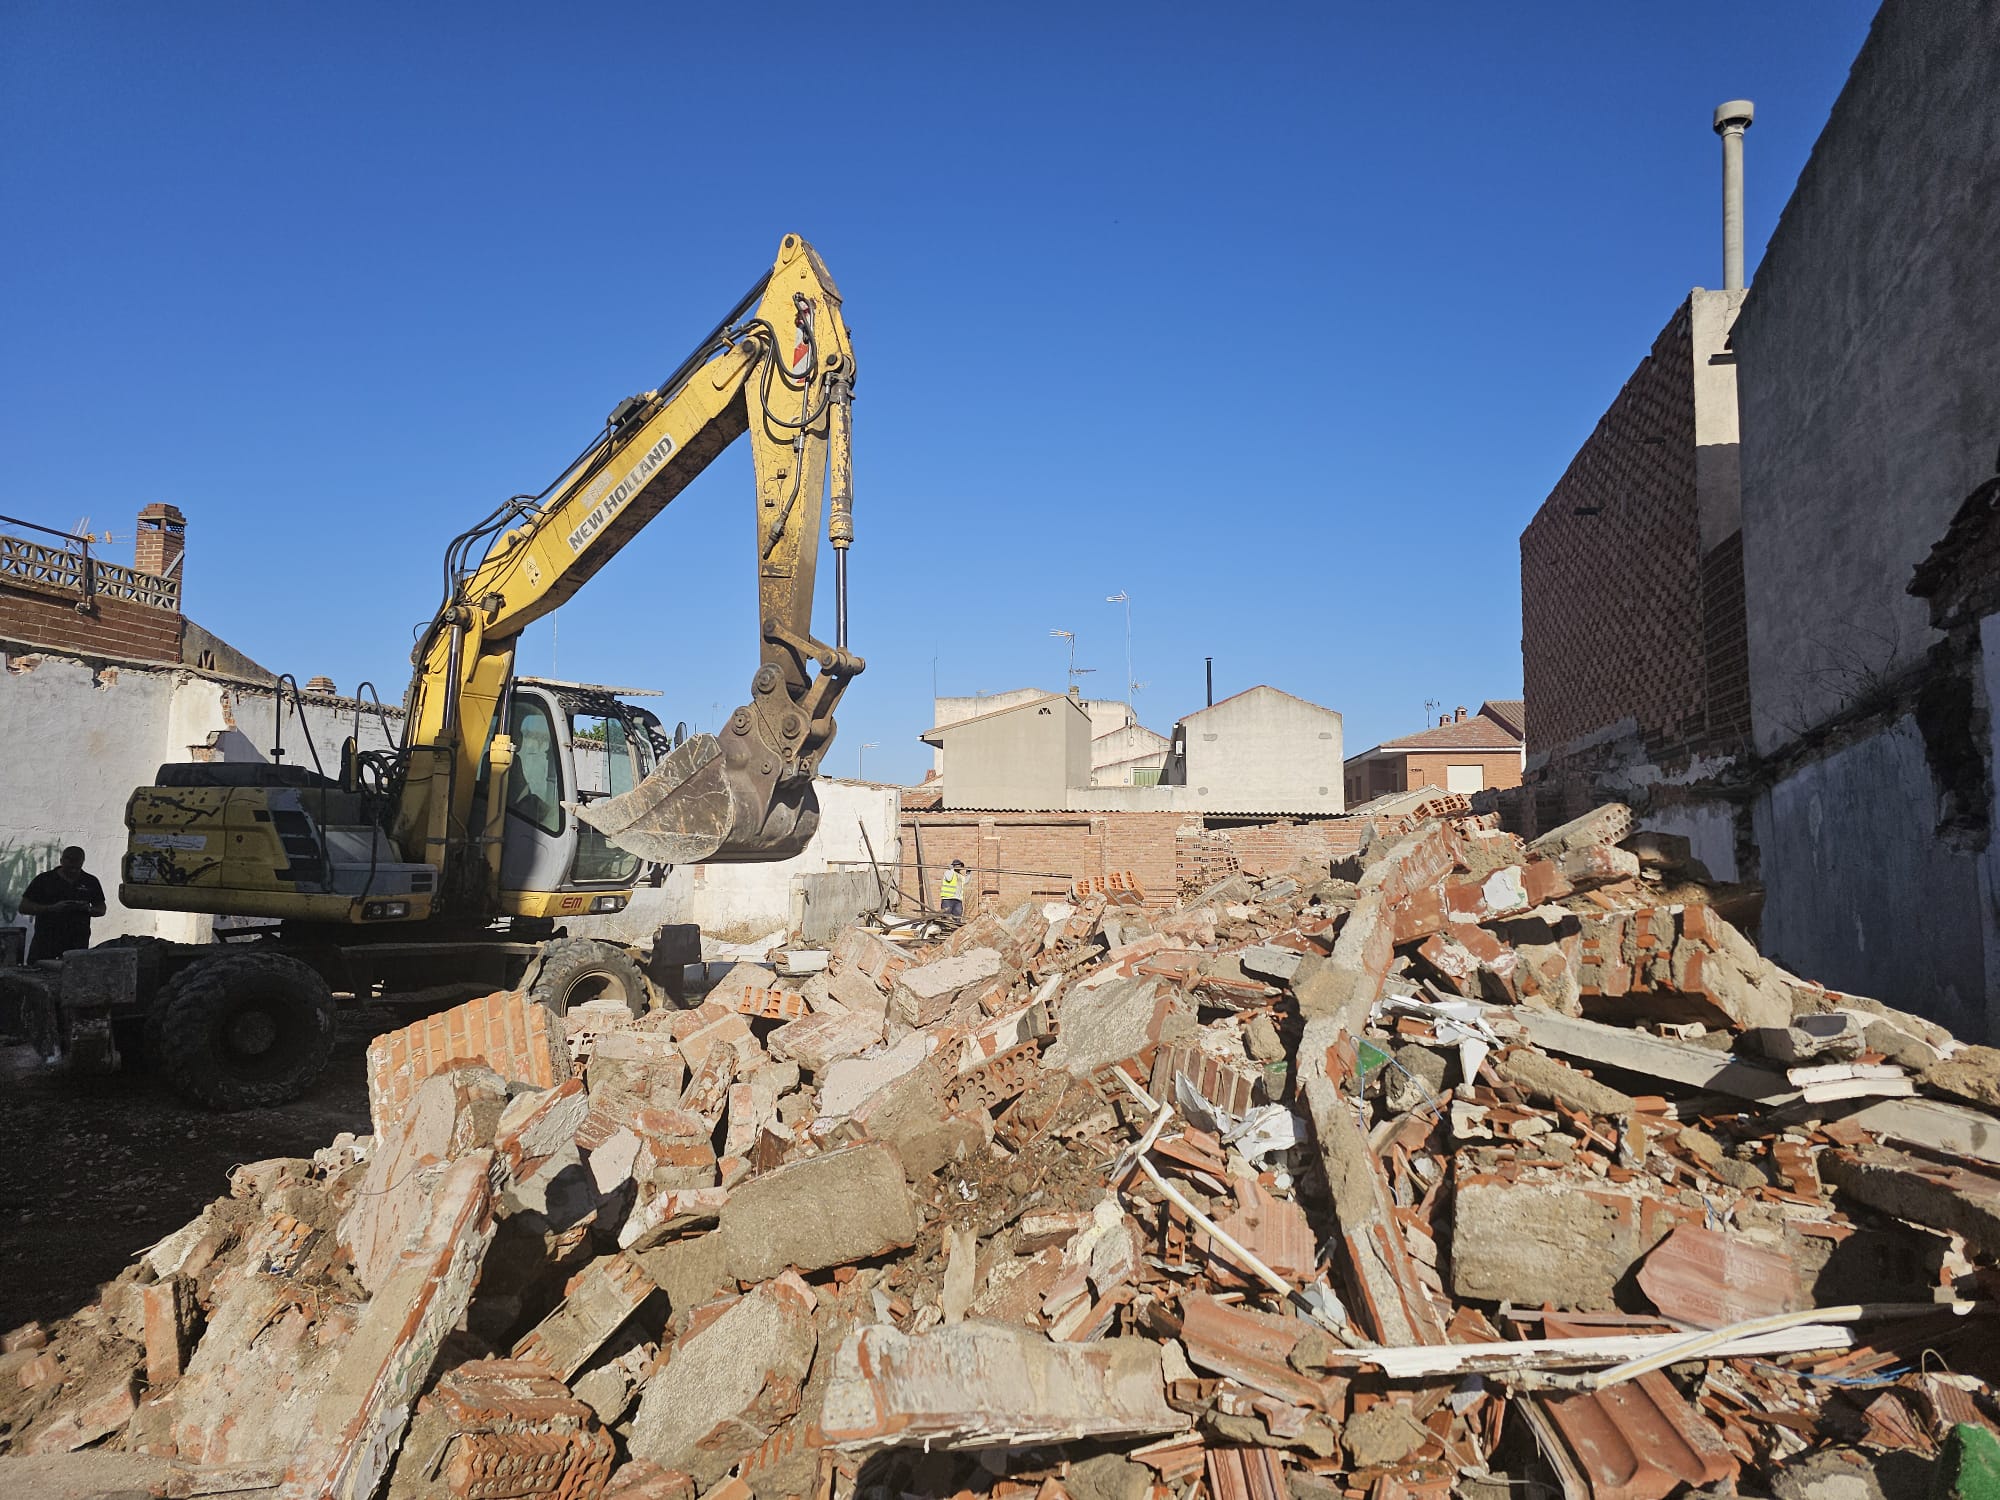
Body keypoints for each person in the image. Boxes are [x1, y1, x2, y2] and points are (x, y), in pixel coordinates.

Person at [20, 846, 108, 963]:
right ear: (62, 861)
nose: (73, 870)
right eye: (70, 865)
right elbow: (23, 907)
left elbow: (101, 909)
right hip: (46, 942)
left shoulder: (90, 881)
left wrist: (88, 909)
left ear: (82, 862)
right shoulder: (44, 880)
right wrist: (51, 908)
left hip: (77, 943)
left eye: (77, 866)